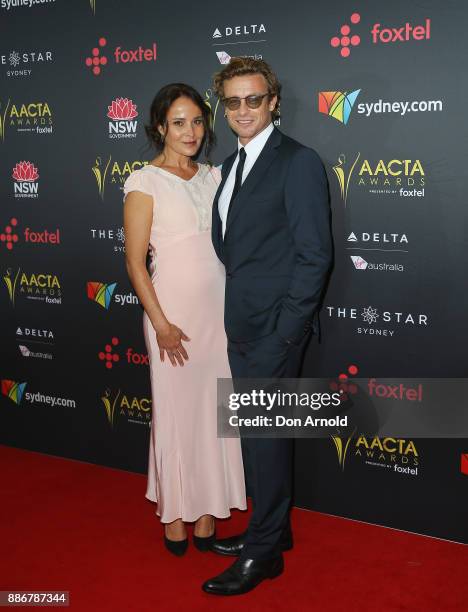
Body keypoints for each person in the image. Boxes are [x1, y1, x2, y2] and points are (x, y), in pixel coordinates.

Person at [202, 58, 332, 594]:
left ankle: (263, 554)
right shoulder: (233, 165)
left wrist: (285, 333)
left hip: (275, 330)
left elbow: (314, 255)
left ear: (273, 101)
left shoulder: (297, 161)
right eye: (232, 102)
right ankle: (271, 533)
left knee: (267, 438)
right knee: (258, 438)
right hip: (242, 325)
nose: (243, 111)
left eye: (253, 99)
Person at [123, 83, 246, 557]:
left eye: (197, 121)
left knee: (216, 414)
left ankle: (209, 512)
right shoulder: (143, 182)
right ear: (160, 127)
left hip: (218, 315)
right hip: (171, 315)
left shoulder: (214, 177)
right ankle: (175, 516)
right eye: (178, 122)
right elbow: (136, 262)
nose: (190, 131)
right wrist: (162, 325)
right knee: (176, 416)